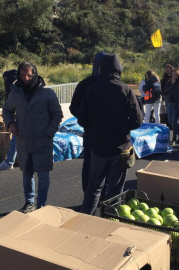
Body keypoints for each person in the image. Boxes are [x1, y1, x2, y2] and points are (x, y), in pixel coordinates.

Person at [79, 53, 142, 215]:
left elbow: (82, 117)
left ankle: (86, 222)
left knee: (93, 189)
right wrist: (122, 129)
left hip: (98, 147)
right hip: (120, 147)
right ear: (119, 69)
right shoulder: (126, 90)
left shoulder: (92, 89)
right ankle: (110, 223)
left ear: (100, 69)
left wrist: (94, 130)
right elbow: (138, 120)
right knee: (115, 190)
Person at [2, 62, 63, 213]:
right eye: (22, 75)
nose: (26, 78)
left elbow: (57, 114)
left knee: (43, 174)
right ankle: (29, 202)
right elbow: (6, 109)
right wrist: (10, 124)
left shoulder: (47, 94)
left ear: (35, 74)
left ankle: (41, 203)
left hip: (43, 140)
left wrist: (49, 132)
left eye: (29, 75)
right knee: (27, 172)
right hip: (24, 139)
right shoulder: (15, 93)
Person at [69, 52, 105, 195]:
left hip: (104, 134)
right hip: (93, 133)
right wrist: (87, 121)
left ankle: (98, 197)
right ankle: (89, 196)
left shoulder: (114, 85)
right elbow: (74, 108)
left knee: (99, 166)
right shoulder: (86, 84)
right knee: (91, 165)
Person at [0, 69, 18, 171]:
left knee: (16, 140)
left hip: (27, 118)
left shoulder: (13, 89)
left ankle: (9, 162)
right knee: (16, 140)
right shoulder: (21, 84)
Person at [166, 69, 179, 145]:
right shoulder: (169, 82)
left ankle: (174, 138)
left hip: (178, 104)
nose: (173, 76)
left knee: (174, 122)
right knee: (171, 122)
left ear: (178, 75)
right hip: (170, 103)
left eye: (175, 74)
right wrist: (172, 84)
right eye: (173, 74)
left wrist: (177, 102)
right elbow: (165, 91)